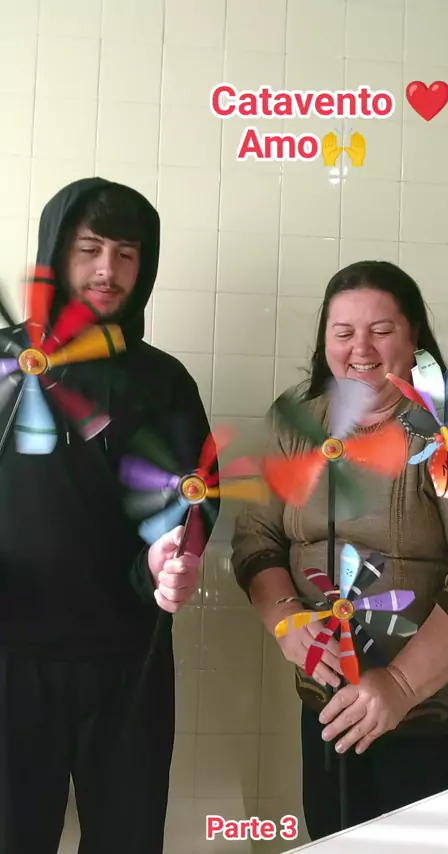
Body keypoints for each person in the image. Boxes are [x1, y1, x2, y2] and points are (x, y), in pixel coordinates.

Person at [0, 177, 218, 854]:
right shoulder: (5, 362)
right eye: (89, 248)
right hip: (8, 657)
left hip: (130, 658)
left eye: (126, 253)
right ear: (55, 252)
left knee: (126, 838)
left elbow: (193, 494)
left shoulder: (163, 381)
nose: (107, 270)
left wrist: (169, 551)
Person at [231, 260, 448, 839]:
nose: (360, 349)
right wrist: (285, 618)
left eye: (381, 331)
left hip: (436, 721)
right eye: (343, 332)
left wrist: (401, 686)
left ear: (414, 339)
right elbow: (256, 535)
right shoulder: (296, 419)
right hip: (329, 709)